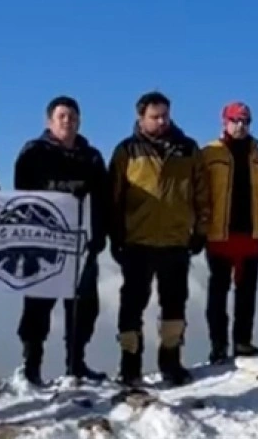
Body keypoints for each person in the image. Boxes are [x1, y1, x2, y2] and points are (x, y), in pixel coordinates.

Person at [110, 91, 209, 387]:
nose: (162, 121)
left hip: (175, 241)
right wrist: (115, 235)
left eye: (165, 114)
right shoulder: (127, 151)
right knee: (131, 306)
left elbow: (202, 194)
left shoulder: (188, 149)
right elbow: (113, 197)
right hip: (137, 242)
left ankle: (171, 362)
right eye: (155, 116)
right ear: (141, 117)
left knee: (174, 306)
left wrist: (200, 231)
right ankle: (130, 367)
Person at [12, 95, 110, 384]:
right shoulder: (33, 153)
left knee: (84, 306)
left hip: (81, 244)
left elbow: (102, 200)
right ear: (49, 121)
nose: (68, 121)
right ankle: (32, 366)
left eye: (73, 117)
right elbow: (21, 196)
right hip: (42, 243)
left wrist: (100, 238)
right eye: (62, 116)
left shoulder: (90, 157)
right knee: (38, 306)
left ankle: (75, 363)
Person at [202, 102, 258, 362]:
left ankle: (243, 341)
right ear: (225, 122)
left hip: (250, 233)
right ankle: (219, 345)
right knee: (218, 292)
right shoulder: (210, 154)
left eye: (245, 120)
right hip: (219, 233)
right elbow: (200, 193)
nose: (241, 125)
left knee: (247, 292)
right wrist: (199, 225)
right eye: (235, 120)